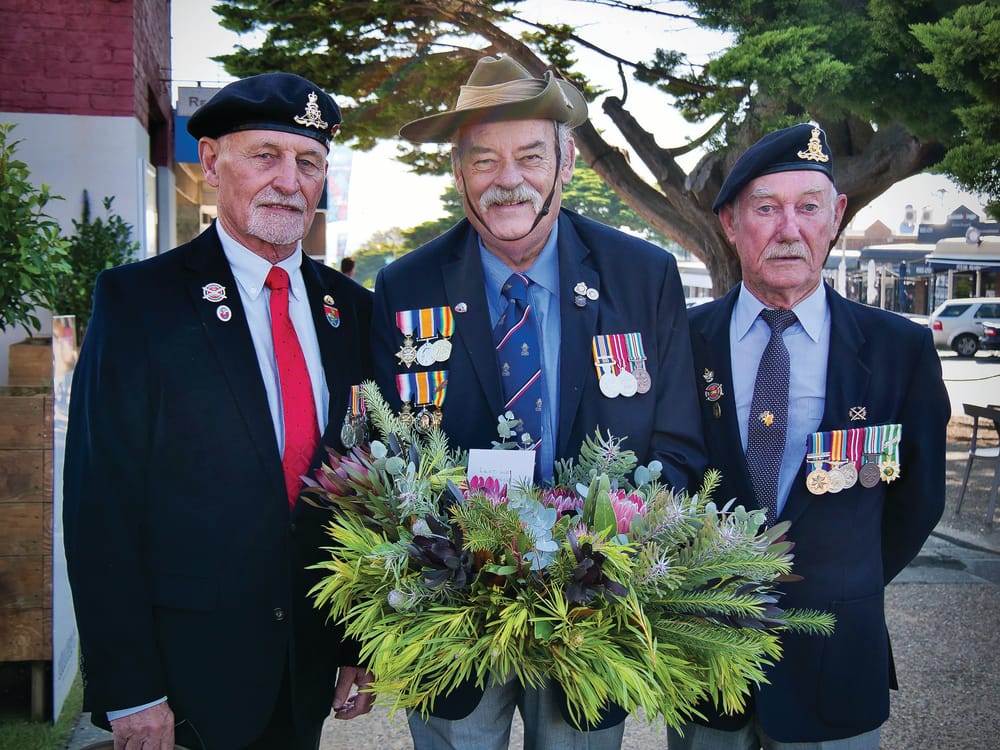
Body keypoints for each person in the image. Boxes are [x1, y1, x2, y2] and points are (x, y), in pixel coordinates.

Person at [370, 55, 706, 750]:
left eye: (530, 155)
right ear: (457, 172)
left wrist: (609, 551)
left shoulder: (643, 277)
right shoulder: (406, 287)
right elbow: (388, 455)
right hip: (453, 621)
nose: (508, 179)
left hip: (592, 616)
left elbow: (678, 446)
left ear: (566, 161)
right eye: (484, 161)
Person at [63, 73, 376, 750]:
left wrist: (359, 642)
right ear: (210, 162)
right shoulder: (139, 302)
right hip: (186, 673)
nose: (289, 182)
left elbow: (367, 485)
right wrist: (130, 686)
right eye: (266, 155)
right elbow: (101, 507)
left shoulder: (353, 311)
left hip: (305, 665)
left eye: (309, 162)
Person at [678, 123, 951, 749]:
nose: (788, 229)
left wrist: (842, 578)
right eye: (766, 209)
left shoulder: (899, 350)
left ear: (836, 217)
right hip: (705, 658)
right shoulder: (682, 342)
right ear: (729, 222)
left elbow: (919, 501)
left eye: (808, 207)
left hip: (835, 656)